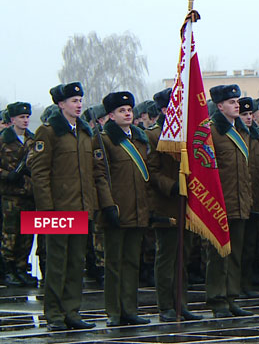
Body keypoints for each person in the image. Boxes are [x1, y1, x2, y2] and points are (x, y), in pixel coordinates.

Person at [29, 82, 98, 331]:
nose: (79, 105)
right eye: (73, 101)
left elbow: (91, 173)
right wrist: (47, 210)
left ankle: (71, 311)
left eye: (80, 101)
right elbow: (39, 173)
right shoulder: (48, 132)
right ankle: (55, 315)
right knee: (57, 264)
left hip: (81, 208)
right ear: (61, 105)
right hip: (58, 210)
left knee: (75, 263)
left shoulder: (84, 131)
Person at [93, 91, 151, 326]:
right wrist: (108, 205)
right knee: (114, 264)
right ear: (110, 115)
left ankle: (129, 309)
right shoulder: (104, 139)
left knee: (131, 263)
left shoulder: (139, 139)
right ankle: (114, 312)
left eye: (129, 110)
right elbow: (99, 176)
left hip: (138, 209)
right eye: (121, 110)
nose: (127, 113)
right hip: (117, 209)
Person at [146, 88, 203, 322]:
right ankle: (165, 306)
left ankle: (181, 303)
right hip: (167, 203)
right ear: (163, 109)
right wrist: (173, 186)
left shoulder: (188, 133)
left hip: (188, 204)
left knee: (183, 256)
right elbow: (151, 171)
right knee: (167, 257)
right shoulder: (154, 135)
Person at [206, 84, 255, 317]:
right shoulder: (211, 131)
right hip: (219, 203)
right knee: (218, 254)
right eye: (231, 102)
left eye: (237, 101)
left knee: (235, 253)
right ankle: (217, 299)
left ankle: (232, 296)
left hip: (239, 201)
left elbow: (246, 171)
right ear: (219, 106)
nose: (236, 105)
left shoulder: (243, 131)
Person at [238, 97, 259, 298]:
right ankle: (235, 285)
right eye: (244, 114)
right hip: (239, 199)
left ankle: (246, 283)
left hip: (255, 199)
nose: (249, 118)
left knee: (251, 244)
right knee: (238, 246)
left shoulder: (256, 138)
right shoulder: (236, 137)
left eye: (250, 114)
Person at [0, 102, 36, 287]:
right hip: (10, 195)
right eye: (22, 117)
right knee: (10, 234)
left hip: (29, 194)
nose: (25, 120)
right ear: (12, 119)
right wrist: (8, 175)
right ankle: (8, 270)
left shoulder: (33, 139)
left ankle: (21, 268)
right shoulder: (3, 139)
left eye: (27, 117)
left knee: (27, 236)